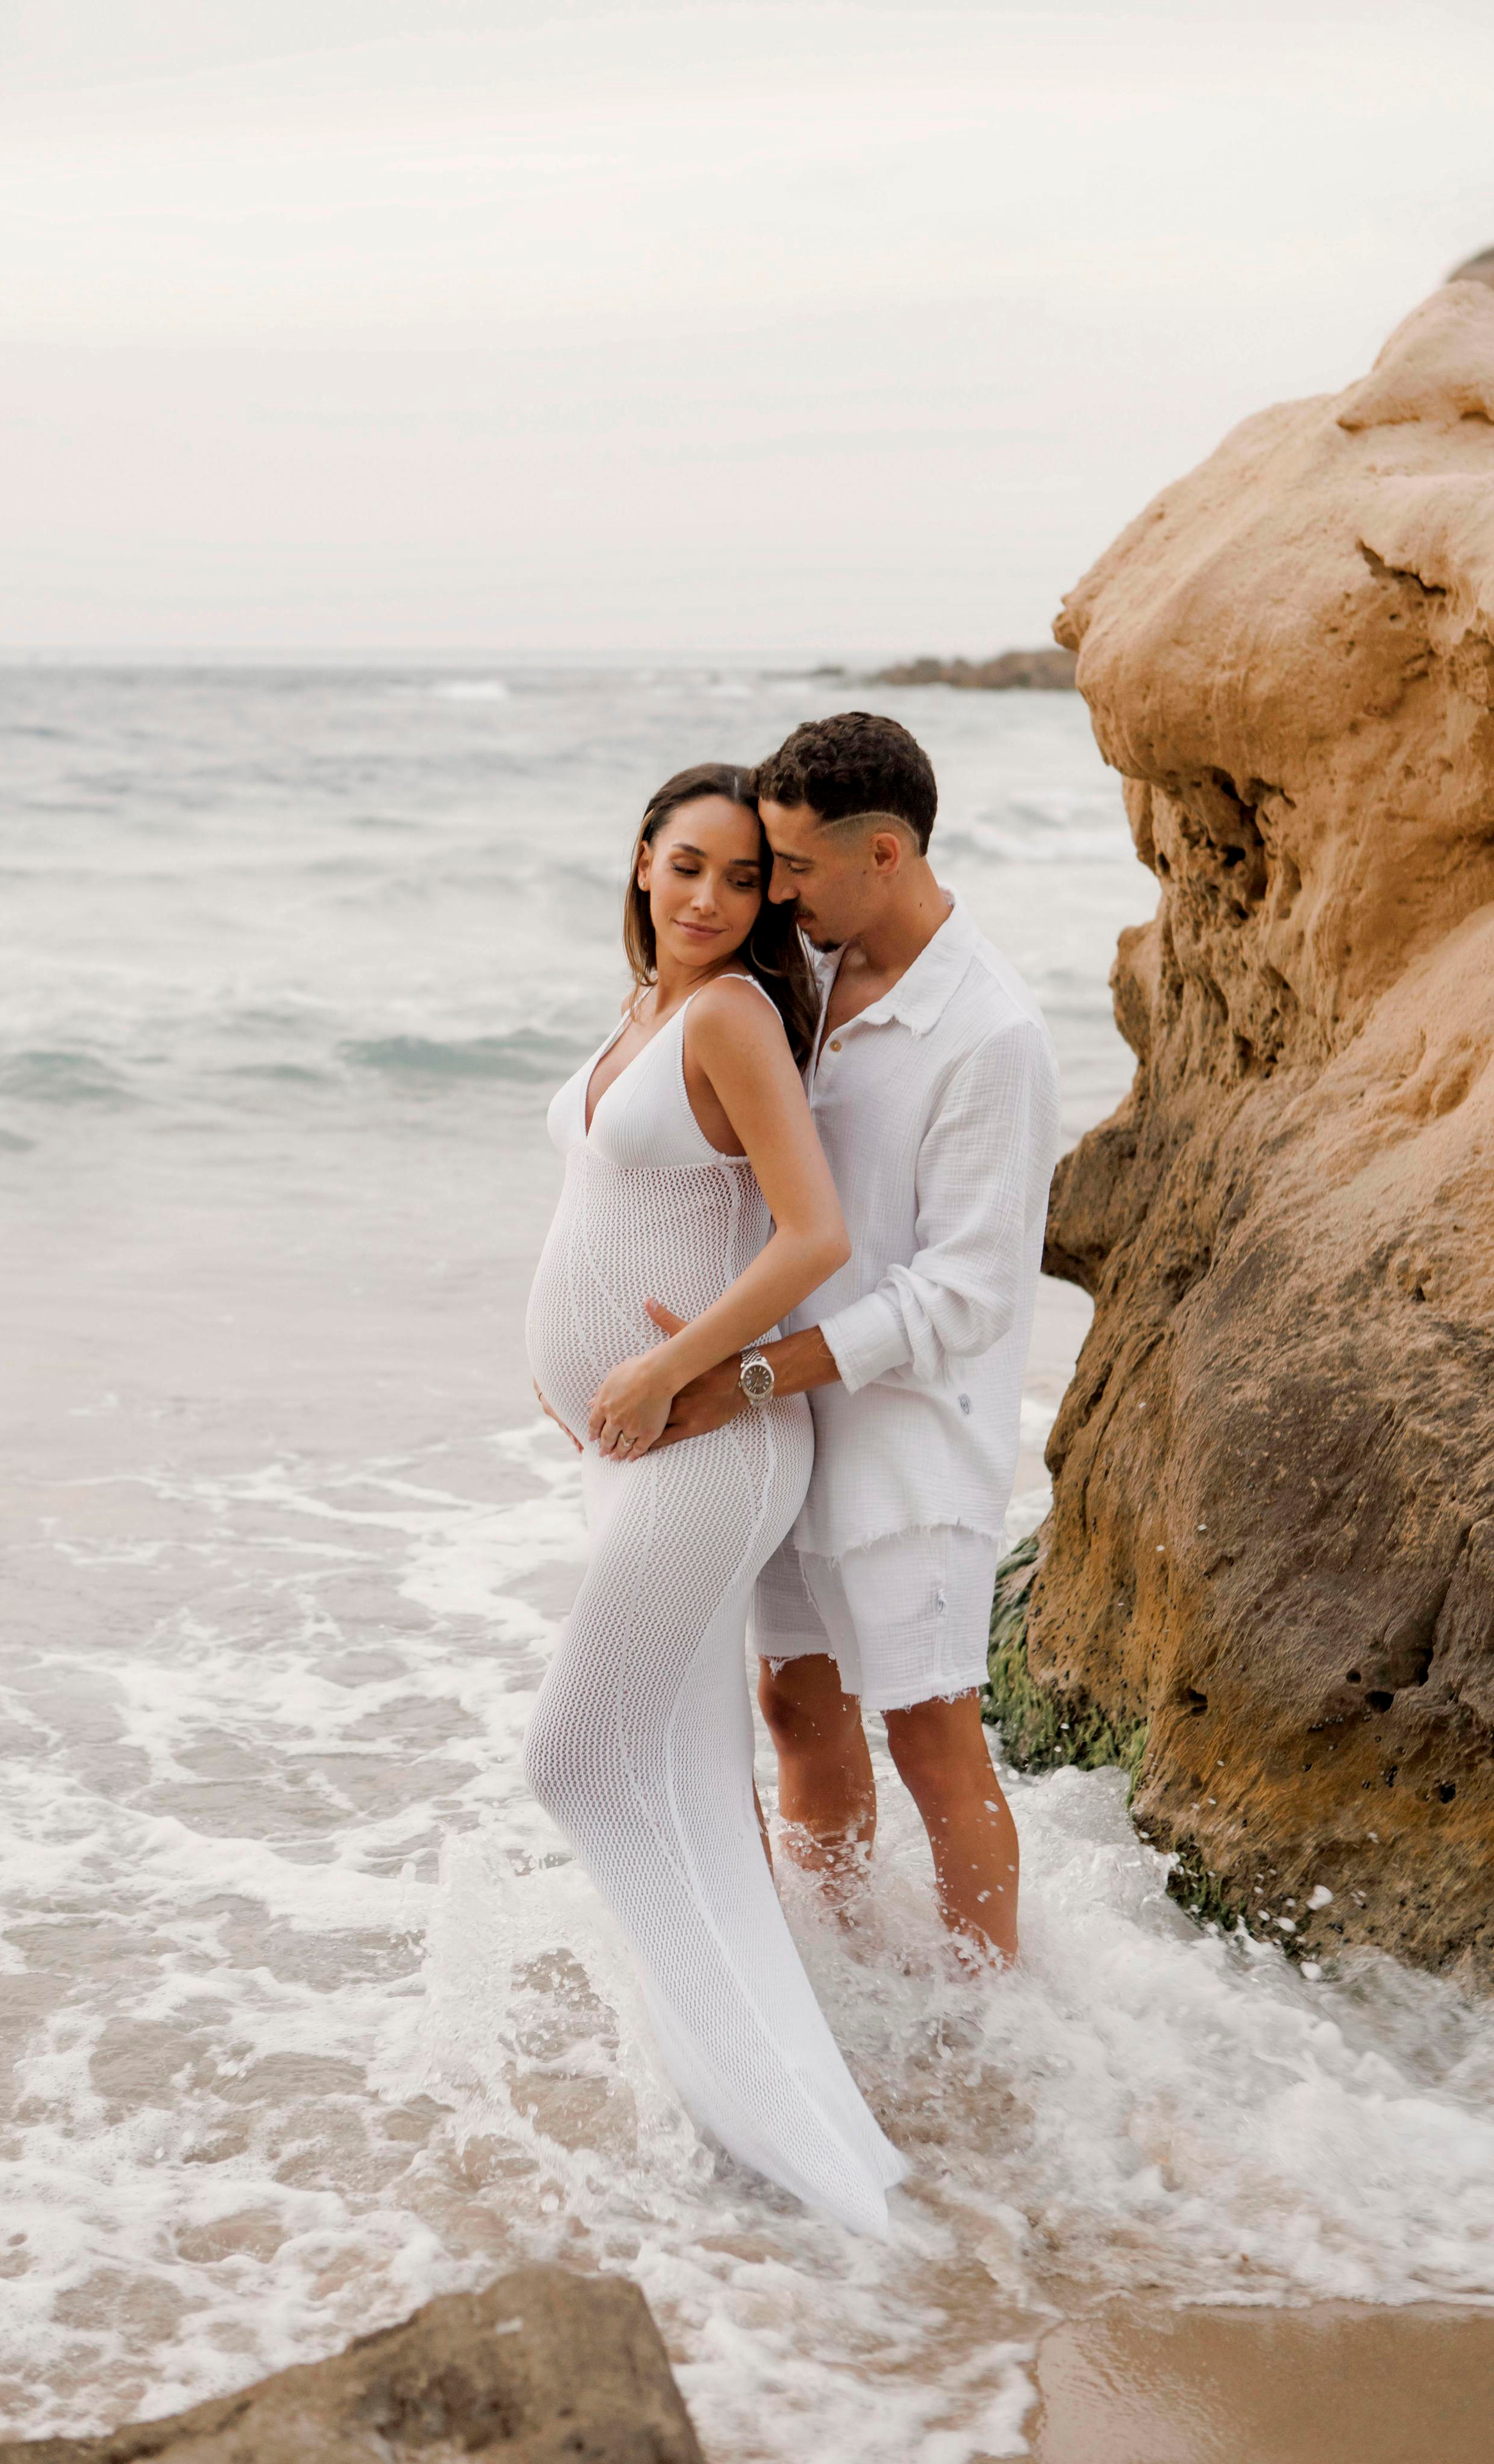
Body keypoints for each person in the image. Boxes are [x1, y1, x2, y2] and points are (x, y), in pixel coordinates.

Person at [523, 761, 905, 2234]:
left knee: (577, 1761)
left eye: (744, 882)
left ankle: (773, 2118)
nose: (711, 900)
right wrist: (571, 1372)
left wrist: (657, 1367)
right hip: (635, 1446)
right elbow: (613, 1211)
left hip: (708, 1445)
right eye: (688, 867)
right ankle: (762, 2119)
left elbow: (812, 1235)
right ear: (637, 862)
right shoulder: (645, 1012)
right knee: (674, 1777)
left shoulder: (734, 1015)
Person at [645, 714, 1061, 1964]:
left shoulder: (991, 1036)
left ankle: (985, 2026)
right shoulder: (812, 974)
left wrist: (750, 1372)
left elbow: (965, 1297)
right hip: (782, 1426)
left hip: (912, 1443)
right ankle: (833, 1972)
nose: (773, 891)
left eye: (792, 867)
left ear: (884, 853)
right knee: (793, 1705)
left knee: (932, 1738)